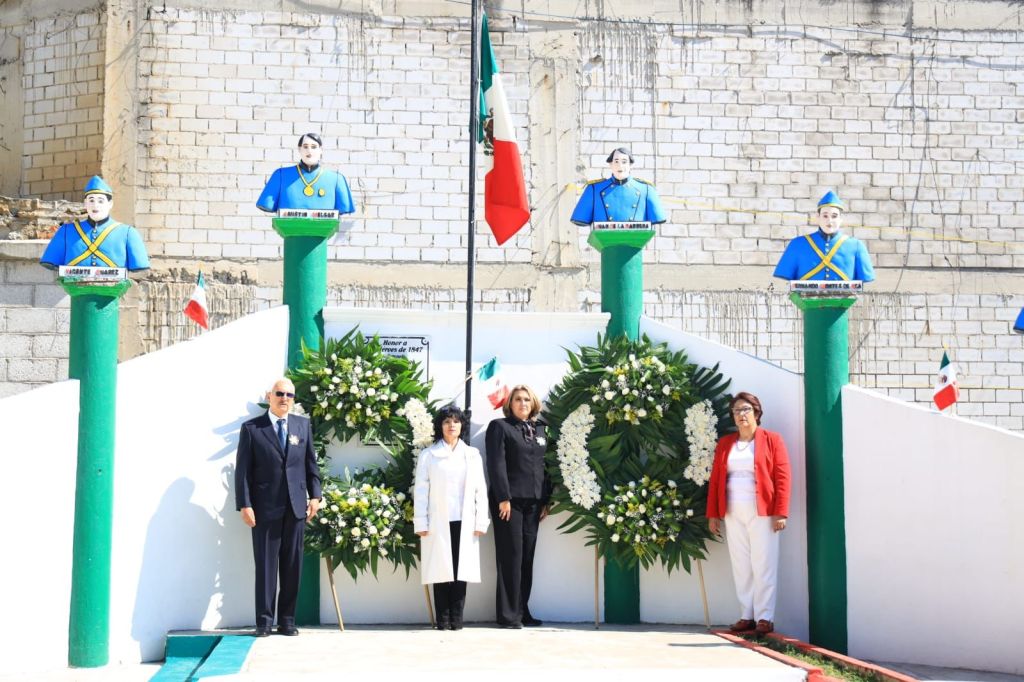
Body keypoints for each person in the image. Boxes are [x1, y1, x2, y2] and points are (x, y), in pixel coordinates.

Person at [234, 378, 321, 637]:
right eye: (280, 393)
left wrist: (315, 496)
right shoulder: (252, 429)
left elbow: (310, 465)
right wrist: (244, 504)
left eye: (289, 395)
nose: (285, 398)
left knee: (292, 567)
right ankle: (263, 622)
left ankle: (287, 621)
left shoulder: (302, 426)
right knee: (266, 567)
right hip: (264, 509)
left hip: (296, 508)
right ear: (269, 396)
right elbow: (243, 472)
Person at [706, 392, 791, 635]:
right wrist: (713, 513)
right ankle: (747, 615)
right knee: (741, 564)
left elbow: (782, 477)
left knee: (764, 563)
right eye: (736, 411)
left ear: (756, 412)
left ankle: (765, 617)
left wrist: (781, 512)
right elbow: (715, 481)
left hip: (763, 512)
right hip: (733, 511)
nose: (741, 415)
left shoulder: (772, 440)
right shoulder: (726, 443)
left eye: (746, 409)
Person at [413, 404, 490, 631]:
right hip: (438, 520)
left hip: (464, 520)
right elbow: (420, 491)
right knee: (440, 569)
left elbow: (480, 489)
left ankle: (457, 619)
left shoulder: (471, 455)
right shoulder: (428, 455)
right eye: (447, 422)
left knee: (460, 569)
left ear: (461, 425)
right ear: (440, 426)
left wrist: (480, 520)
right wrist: (421, 521)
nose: (451, 425)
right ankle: (442, 619)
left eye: (455, 421)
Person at [485, 384, 552, 629]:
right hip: (509, 503)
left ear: (533, 403)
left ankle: (523, 611)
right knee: (510, 556)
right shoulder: (500, 427)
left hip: (534, 503)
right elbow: (496, 463)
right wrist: (503, 497)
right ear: (510, 404)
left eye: (526, 399)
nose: (522, 403)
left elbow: (547, 466)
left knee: (527, 558)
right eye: (517, 399)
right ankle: (508, 615)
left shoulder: (542, 430)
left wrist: (547, 500)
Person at [40, 176, 150, 271]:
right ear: (85, 203)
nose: (95, 205)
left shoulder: (127, 233)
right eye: (91, 200)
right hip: (77, 291)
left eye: (100, 201)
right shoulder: (66, 231)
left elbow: (140, 263)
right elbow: (51, 260)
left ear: (110, 204)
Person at [773, 190, 875, 283]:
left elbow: (866, 277)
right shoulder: (797, 244)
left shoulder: (856, 246)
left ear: (841, 219)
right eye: (825, 216)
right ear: (817, 217)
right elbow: (784, 274)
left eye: (834, 216)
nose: (829, 221)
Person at [256, 133, 356, 214]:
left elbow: (344, 207)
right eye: (305, 146)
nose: (309, 150)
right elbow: (266, 203)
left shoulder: (337, 179)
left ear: (321, 150)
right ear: (299, 149)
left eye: (313, 147)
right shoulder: (281, 175)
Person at [570, 147, 667, 226]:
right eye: (616, 161)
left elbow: (658, 217)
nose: (620, 165)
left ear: (631, 165)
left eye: (624, 161)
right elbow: (581, 217)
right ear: (610, 164)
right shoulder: (594, 189)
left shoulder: (646, 189)